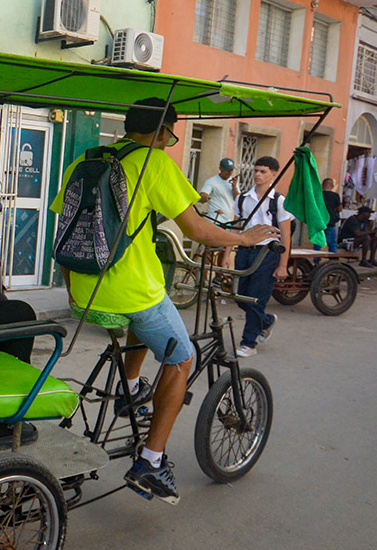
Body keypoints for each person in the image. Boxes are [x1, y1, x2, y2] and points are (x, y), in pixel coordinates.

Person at [52, 98, 280, 505]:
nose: (169, 142)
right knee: (180, 358)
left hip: (85, 291)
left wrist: (72, 289)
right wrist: (245, 238)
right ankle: (151, 462)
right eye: (170, 134)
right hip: (130, 290)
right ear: (161, 131)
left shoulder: (87, 159)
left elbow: (67, 226)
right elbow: (201, 232)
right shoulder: (154, 162)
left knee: (144, 329)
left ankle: (132, 388)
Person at [233, 156, 294, 358]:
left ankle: (248, 343)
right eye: (256, 171)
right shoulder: (242, 198)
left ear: (274, 174)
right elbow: (235, 228)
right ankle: (266, 321)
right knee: (241, 297)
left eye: (263, 171)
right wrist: (227, 254)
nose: (258, 175)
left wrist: (283, 265)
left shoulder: (279, 201)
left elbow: (286, 234)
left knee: (255, 299)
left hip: (267, 254)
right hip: (244, 252)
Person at [199, 158, 237, 224]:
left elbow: (237, 199)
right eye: (227, 170)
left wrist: (234, 188)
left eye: (231, 170)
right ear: (220, 168)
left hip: (228, 221)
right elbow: (203, 194)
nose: (229, 172)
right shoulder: (212, 181)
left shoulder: (233, 182)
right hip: (215, 219)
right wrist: (204, 197)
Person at [318, 177, 341, 252]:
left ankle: (316, 259)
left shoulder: (318, 195)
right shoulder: (335, 196)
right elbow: (339, 208)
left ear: (322, 185)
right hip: (331, 221)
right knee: (332, 242)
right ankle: (332, 258)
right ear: (332, 186)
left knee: (318, 241)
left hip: (319, 220)